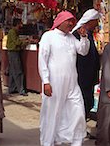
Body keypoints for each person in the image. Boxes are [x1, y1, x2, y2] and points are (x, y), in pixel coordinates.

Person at [38, 11, 90, 146]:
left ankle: (76, 142)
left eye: (73, 21)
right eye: (69, 21)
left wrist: (84, 37)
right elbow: (42, 60)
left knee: (78, 111)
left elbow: (83, 51)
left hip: (72, 83)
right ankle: (47, 142)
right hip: (54, 83)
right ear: (60, 22)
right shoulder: (48, 36)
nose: (71, 24)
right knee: (52, 114)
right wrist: (46, 81)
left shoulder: (71, 38)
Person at [72, 9, 101, 122]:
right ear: (90, 21)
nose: (97, 24)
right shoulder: (78, 34)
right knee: (82, 102)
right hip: (81, 76)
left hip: (88, 76)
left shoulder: (88, 34)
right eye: (96, 21)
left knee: (87, 101)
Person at [6, 18, 28, 96]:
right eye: (20, 24)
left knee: (13, 71)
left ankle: (12, 88)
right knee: (18, 71)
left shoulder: (14, 32)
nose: (21, 25)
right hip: (13, 52)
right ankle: (21, 90)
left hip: (13, 52)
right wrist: (26, 42)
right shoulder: (12, 32)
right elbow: (17, 42)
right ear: (17, 24)